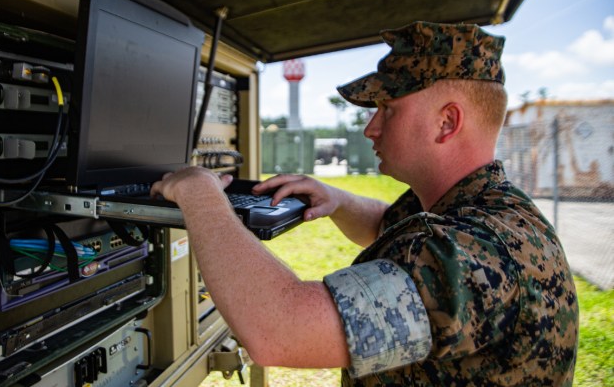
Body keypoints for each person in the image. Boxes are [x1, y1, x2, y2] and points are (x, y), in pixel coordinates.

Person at [151, 21, 579, 386]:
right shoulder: (473, 207)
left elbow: (280, 331)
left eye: (387, 110)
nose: (370, 129)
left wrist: (200, 193)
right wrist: (336, 200)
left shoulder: (477, 251)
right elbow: (386, 226)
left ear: (447, 122)